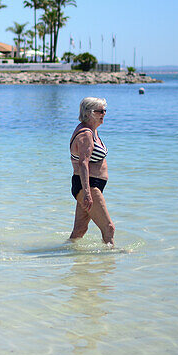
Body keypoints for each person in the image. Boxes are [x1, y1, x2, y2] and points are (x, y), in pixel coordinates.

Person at [68, 96, 115, 246]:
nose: (104, 114)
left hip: (90, 185)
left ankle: (70, 256)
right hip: (88, 185)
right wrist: (87, 193)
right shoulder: (86, 134)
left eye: (105, 111)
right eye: (100, 111)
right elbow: (83, 163)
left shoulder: (92, 131)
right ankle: (111, 260)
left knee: (80, 230)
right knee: (109, 228)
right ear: (89, 113)